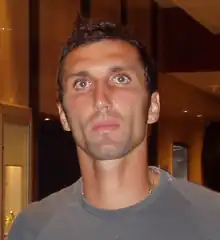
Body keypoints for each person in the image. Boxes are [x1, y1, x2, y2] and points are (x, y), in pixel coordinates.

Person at [8, 16, 220, 240]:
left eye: (120, 79)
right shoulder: (32, 229)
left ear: (152, 107)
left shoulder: (212, 220)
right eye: (82, 84)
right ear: (63, 116)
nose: (101, 100)